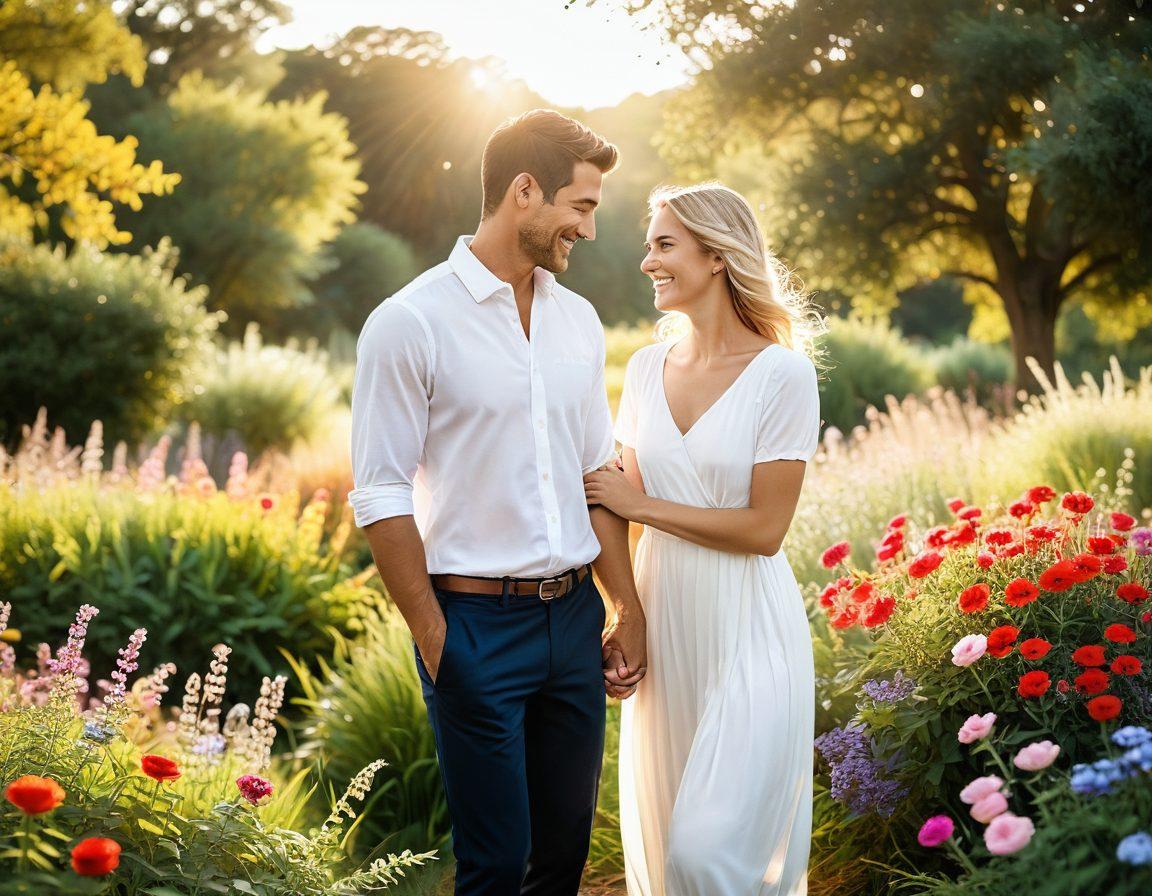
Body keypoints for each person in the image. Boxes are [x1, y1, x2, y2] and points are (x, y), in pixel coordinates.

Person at [349, 109, 647, 896]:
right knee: (495, 865)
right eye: (580, 206)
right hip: (474, 628)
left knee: (562, 857)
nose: (588, 228)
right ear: (524, 192)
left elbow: (597, 473)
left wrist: (625, 606)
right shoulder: (409, 322)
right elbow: (380, 491)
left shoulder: (577, 320)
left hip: (574, 621)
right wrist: (435, 637)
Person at [588, 182, 822, 895]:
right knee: (670, 856)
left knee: (705, 853)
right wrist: (625, 613)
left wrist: (642, 504)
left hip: (749, 626)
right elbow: (610, 505)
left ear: (718, 255)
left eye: (665, 244)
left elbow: (764, 530)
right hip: (666, 620)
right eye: (649, 245)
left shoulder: (782, 374)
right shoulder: (644, 369)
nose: (647, 262)